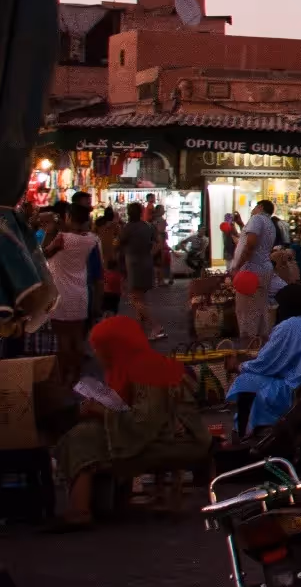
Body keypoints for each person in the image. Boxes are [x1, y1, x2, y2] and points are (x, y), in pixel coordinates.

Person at [49, 316, 210, 530]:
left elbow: (144, 422)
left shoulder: (146, 370)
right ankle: (86, 505)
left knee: (84, 437)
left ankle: (80, 510)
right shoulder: (135, 365)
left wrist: (100, 410)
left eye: (100, 348)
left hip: (175, 440)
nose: (97, 354)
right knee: (86, 433)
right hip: (163, 433)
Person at [227, 283, 301, 434]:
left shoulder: (289, 326)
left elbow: (265, 364)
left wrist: (238, 366)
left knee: (246, 380)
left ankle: (243, 432)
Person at [44, 206, 97, 386]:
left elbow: (44, 253)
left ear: (68, 217)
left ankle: (66, 375)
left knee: (63, 339)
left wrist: (53, 229)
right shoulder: (91, 240)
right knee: (77, 337)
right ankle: (76, 373)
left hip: (61, 294)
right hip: (80, 293)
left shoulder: (62, 238)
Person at [231, 199, 280, 347]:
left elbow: (251, 243)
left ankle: (249, 345)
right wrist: (240, 223)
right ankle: (260, 343)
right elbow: (250, 238)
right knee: (259, 307)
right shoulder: (269, 223)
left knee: (246, 310)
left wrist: (237, 267)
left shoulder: (257, 219)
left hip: (251, 270)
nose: (252, 210)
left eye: (254, 207)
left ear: (260, 207)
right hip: (262, 269)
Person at [119, 202, 163, 337]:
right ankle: (140, 330)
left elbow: (118, 243)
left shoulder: (128, 228)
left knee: (134, 298)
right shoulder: (147, 227)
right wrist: (150, 253)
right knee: (141, 298)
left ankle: (155, 325)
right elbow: (159, 242)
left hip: (133, 264)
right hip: (147, 263)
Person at [95, 209, 124, 321]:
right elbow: (121, 239)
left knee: (103, 281)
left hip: (101, 255)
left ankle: (104, 310)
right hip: (112, 257)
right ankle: (112, 312)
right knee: (113, 282)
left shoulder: (98, 224)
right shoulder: (116, 226)